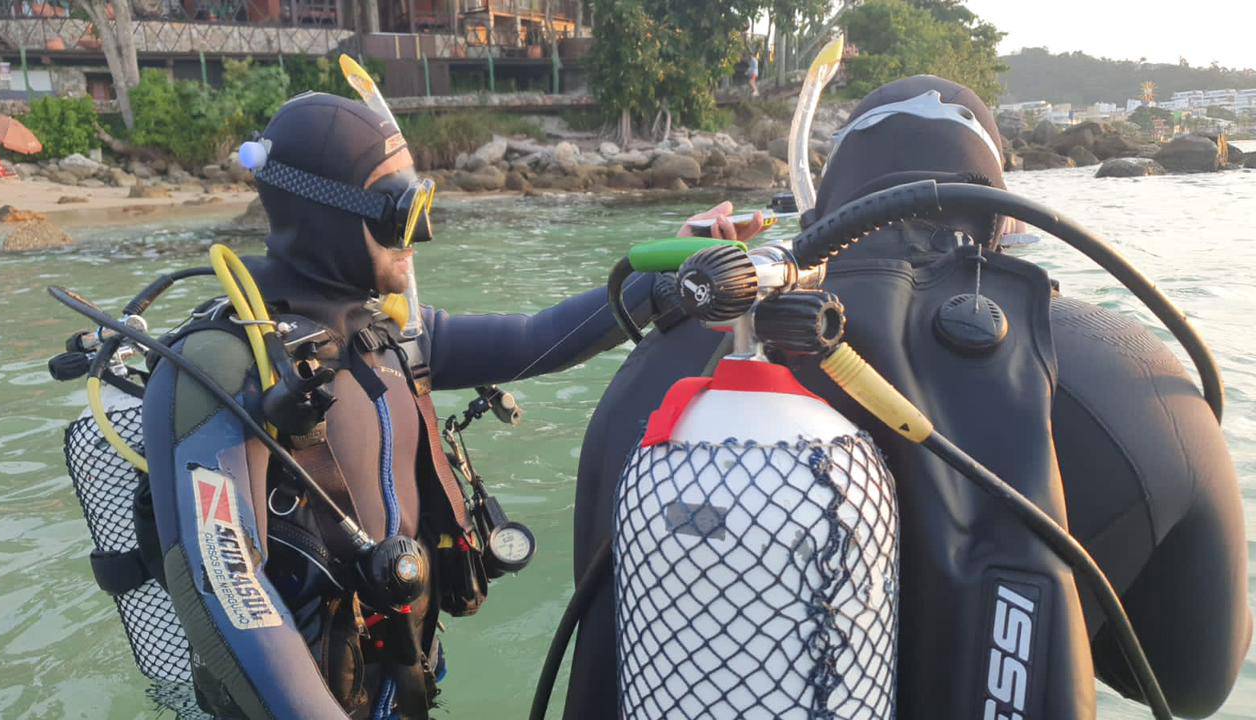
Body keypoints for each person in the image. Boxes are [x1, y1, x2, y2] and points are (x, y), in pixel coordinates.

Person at [564, 75, 1249, 719]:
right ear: (1004, 219)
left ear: (823, 211)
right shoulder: (1133, 371)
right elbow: (1191, 685)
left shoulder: (657, 368)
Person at [138, 92, 766, 719]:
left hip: (397, 683)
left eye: (423, 205)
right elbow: (224, 587)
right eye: (402, 214)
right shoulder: (222, 367)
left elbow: (540, 339)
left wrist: (670, 274)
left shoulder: (395, 336)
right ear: (327, 217)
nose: (423, 235)